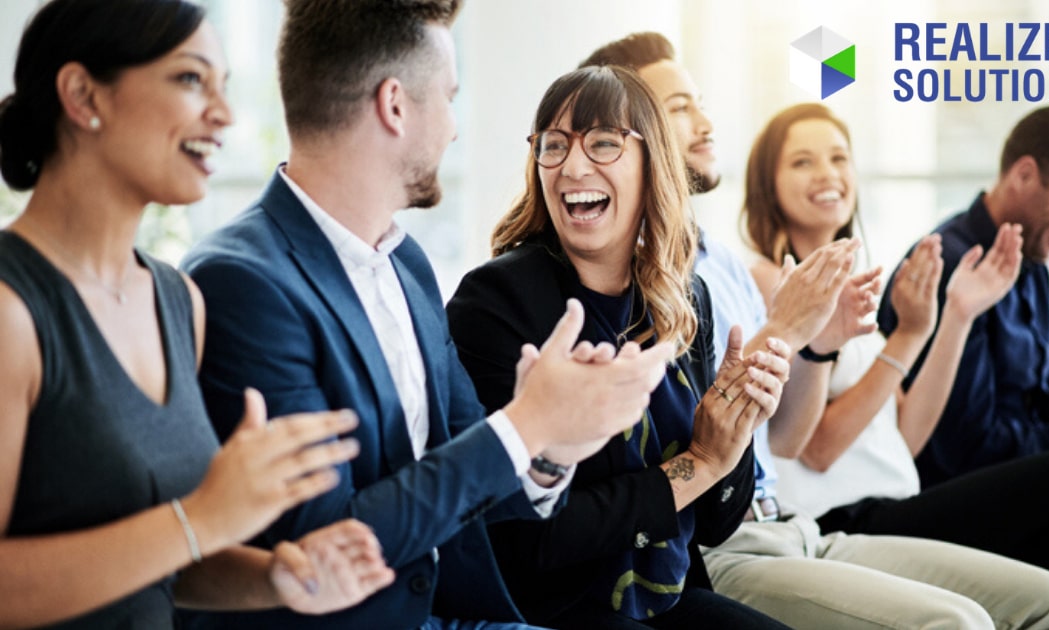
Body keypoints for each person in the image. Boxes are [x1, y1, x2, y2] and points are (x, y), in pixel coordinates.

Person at [180, 2, 673, 629]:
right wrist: (526, 424)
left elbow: (467, 462)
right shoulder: (243, 283)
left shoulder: (406, 264)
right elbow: (328, 543)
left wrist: (552, 449)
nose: (454, 128)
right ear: (394, 105)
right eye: (449, 97)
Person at [582, 35, 1049, 630]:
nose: (705, 121)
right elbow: (732, 439)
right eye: (679, 108)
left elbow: (788, 439)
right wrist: (790, 330)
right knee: (971, 609)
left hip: (796, 523)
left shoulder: (718, 260)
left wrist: (824, 342)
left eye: (700, 102)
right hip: (733, 538)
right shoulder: (640, 274)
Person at [0, 1, 397, 628]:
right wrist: (205, 517)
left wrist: (278, 576)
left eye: (225, 88)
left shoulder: (179, 303)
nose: (225, 115)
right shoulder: (10, 312)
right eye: (191, 79)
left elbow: (164, 561)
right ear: (82, 95)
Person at [742, 102, 1049, 628]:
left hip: (901, 496)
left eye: (839, 158)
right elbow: (819, 447)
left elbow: (908, 439)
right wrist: (885, 339)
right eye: (803, 162)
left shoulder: (857, 290)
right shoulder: (766, 281)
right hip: (842, 518)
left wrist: (948, 319)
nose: (828, 174)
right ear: (768, 184)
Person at [447, 64, 792, 630]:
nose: (572, 167)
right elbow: (528, 540)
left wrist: (735, 429)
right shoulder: (498, 303)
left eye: (604, 143)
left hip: (665, 599)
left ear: (651, 161)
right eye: (553, 146)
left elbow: (713, 524)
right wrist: (698, 463)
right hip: (551, 607)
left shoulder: (684, 296)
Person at [878, 101, 1049, 487]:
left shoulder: (1033, 263)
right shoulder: (949, 266)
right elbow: (966, 448)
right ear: (1024, 175)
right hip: (954, 491)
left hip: (1013, 481)